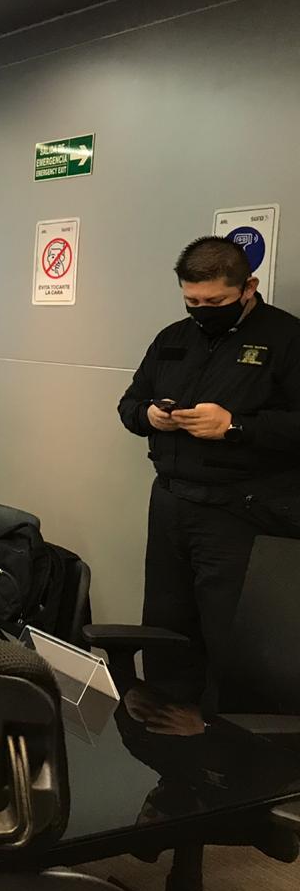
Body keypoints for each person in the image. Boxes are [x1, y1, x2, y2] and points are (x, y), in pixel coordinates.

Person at [118, 235, 300, 709]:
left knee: (233, 636)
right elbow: (130, 403)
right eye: (192, 300)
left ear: (247, 287)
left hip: (242, 510)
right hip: (172, 503)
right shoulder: (173, 338)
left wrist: (235, 426)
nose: (203, 309)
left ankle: (228, 753)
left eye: (215, 301)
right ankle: (166, 737)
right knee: (165, 625)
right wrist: (149, 417)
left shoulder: (287, 338)